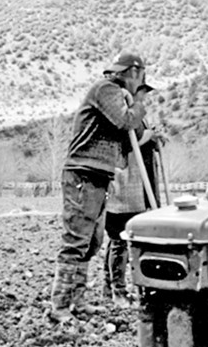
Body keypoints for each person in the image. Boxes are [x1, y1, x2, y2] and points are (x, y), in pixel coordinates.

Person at [49, 52, 151, 323]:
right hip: (83, 175)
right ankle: (59, 305)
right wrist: (139, 102)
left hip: (98, 176)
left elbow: (128, 139)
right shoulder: (106, 89)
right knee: (76, 240)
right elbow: (125, 121)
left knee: (92, 242)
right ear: (133, 73)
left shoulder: (117, 97)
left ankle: (78, 302)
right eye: (140, 77)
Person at [103, 114, 165, 309]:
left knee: (120, 241)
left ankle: (110, 288)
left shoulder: (141, 117)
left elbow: (146, 144)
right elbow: (122, 145)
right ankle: (118, 291)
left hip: (141, 188)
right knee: (119, 240)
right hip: (123, 189)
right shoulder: (115, 115)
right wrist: (148, 135)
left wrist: (156, 139)